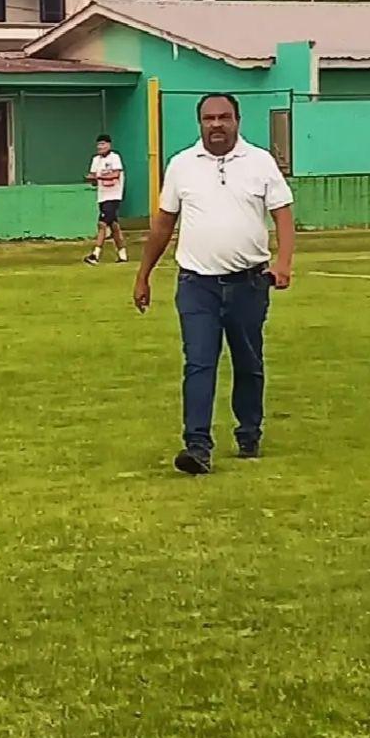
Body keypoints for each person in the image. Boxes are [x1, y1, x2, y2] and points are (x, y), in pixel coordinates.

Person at [133, 93, 295, 475]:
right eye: (209, 118)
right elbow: (163, 224)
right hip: (197, 285)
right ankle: (197, 446)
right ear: (199, 123)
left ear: (238, 120)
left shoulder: (260, 163)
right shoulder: (182, 165)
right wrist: (143, 275)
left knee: (248, 363)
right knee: (199, 363)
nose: (216, 124)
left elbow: (283, 216)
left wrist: (283, 262)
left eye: (224, 117)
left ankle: (249, 432)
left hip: (249, 284)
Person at [85, 134, 127, 264]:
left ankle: (95, 254)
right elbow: (93, 179)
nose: (100, 147)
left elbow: (115, 174)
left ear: (109, 145)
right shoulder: (95, 160)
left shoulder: (114, 158)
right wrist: (91, 179)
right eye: (99, 144)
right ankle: (122, 254)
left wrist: (98, 177)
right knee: (114, 226)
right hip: (102, 196)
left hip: (114, 196)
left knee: (102, 224)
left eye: (103, 144)